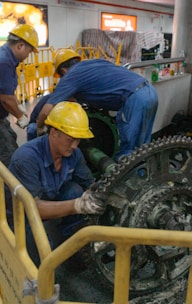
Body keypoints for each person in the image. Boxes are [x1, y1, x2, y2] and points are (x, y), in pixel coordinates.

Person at [6, 101, 107, 265]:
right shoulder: (26, 158)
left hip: (47, 200)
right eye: (70, 140)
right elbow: (33, 209)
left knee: (74, 190)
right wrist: (78, 205)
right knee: (42, 254)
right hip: (20, 214)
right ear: (53, 133)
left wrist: (105, 192)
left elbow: (90, 184)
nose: (75, 146)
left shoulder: (74, 154)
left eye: (78, 141)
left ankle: (73, 249)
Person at [36, 49, 158, 161]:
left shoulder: (70, 76)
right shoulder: (94, 63)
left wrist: (39, 127)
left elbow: (47, 109)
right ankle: (143, 173)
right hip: (150, 91)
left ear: (63, 71)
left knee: (127, 149)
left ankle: (125, 181)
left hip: (134, 99)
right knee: (142, 145)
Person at [0, 24, 39, 167]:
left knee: (11, 136)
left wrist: (18, 105)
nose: (29, 55)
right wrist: (21, 117)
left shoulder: (7, 58)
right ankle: (9, 187)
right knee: (8, 153)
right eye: (29, 51)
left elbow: (5, 90)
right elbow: (4, 98)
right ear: (20, 46)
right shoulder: (4, 61)